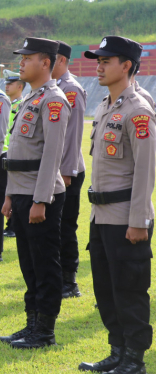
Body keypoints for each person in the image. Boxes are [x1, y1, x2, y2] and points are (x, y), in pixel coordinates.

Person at [77, 36, 154, 374]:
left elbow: (146, 169)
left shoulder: (138, 110)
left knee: (129, 290)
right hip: (101, 215)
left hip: (126, 218)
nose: (99, 65)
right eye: (98, 60)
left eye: (106, 61)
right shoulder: (107, 105)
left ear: (126, 66)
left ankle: (134, 360)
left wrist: (139, 220)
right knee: (106, 289)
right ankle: (117, 350)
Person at [0, 38, 70, 349]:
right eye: (21, 57)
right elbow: (18, 154)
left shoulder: (54, 100)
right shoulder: (30, 99)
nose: (21, 62)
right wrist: (11, 196)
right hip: (23, 193)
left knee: (44, 265)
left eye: (28, 57)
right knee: (29, 264)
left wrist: (40, 200)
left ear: (46, 63)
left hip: (42, 197)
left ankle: (44, 330)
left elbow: (52, 156)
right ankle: (31, 323)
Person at [52, 41, 88, 299]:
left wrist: (66, 172)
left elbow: (74, 134)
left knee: (65, 226)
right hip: (53, 170)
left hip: (68, 171)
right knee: (53, 226)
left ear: (61, 60)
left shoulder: (70, 89)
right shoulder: (51, 89)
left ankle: (69, 281)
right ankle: (57, 276)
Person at [1, 69, 25, 238]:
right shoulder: (8, 104)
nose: (7, 86)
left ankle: (13, 226)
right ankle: (10, 224)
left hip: (15, 154)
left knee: (15, 190)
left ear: (20, 86)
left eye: (11, 84)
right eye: (6, 83)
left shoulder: (22, 105)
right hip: (5, 153)